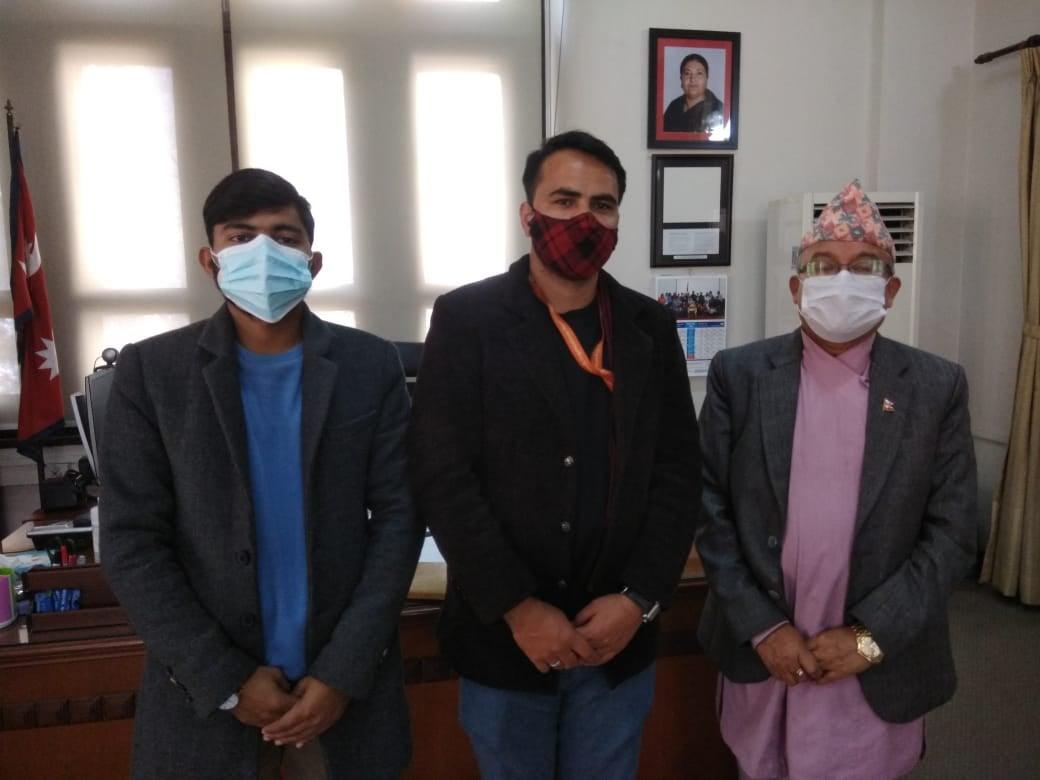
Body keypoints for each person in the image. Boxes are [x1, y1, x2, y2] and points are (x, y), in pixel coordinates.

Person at [101, 168, 422, 779]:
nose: (264, 253)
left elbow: (401, 518)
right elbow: (131, 540)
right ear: (210, 258)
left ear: (313, 260)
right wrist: (227, 681)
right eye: (241, 237)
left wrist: (343, 671)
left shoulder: (369, 365)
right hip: (208, 713)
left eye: (285, 236)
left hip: (343, 704)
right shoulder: (152, 373)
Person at [408, 130, 700, 779]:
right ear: (527, 214)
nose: (583, 220)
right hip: (504, 640)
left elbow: (679, 473)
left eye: (602, 205)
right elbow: (441, 473)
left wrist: (640, 599)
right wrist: (518, 606)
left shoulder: (650, 328)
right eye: (563, 200)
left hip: (616, 640)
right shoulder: (467, 319)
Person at [696, 180, 978, 779]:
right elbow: (707, 509)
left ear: (891, 289)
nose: (843, 281)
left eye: (864, 267)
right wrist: (763, 627)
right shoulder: (739, 376)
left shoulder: (935, 387)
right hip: (766, 651)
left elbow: (952, 533)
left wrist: (870, 638)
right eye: (825, 267)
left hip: (877, 659)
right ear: (798, 287)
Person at [662, 52, 725, 134]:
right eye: (687, 73)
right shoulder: (674, 106)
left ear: (707, 78)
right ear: (681, 79)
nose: (692, 79)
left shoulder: (718, 110)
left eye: (699, 73)